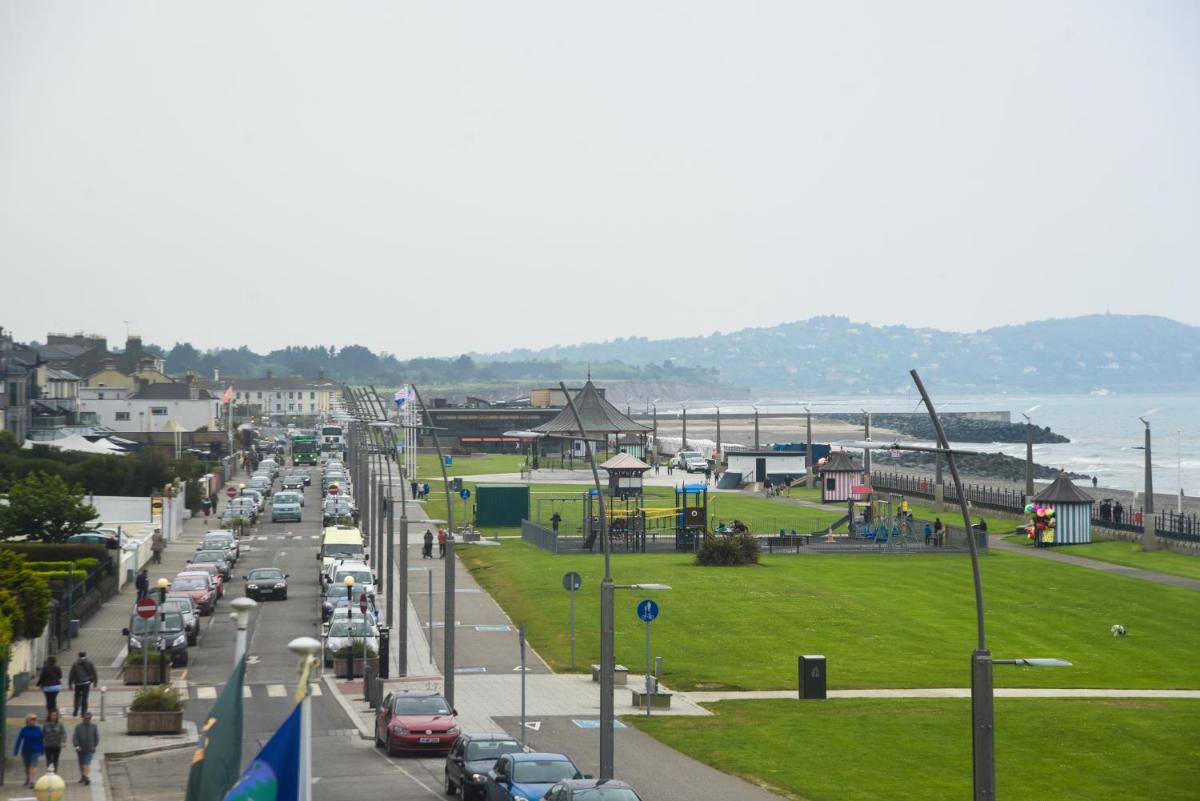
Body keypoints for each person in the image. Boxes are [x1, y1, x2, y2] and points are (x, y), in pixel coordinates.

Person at [13, 713, 44, 787]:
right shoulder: (24, 730)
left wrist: (43, 749)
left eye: (35, 719)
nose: (33, 721)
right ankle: (27, 778)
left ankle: (32, 781)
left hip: (35, 750)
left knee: (33, 766)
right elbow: (19, 740)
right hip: (26, 750)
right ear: (27, 721)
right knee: (27, 766)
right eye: (32, 719)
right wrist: (16, 750)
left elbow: (41, 740)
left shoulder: (38, 729)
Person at [73, 711, 99, 785]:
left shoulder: (94, 727)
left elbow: (96, 738)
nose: (87, 719)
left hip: (90, 749)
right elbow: (75, 738)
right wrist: (77, 746)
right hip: (80, 749)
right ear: (83, 718)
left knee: (86, 763)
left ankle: (86, 776)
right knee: (81, 764)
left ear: (90, 718)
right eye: (86, 718)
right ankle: (83, 776)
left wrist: (94, 746)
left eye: (89, 718)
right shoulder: (78, 727)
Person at [70, 651, 98, 717]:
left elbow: (71, 674)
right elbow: (94, 672)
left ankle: (76, 709)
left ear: (78, 655)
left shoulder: (75, 664)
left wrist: (70, 683)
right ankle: (83, 712)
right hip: (86, 683)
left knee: (77, 696)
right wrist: (95, 682)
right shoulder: (89, 663)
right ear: (85, 655)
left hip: (78, 683)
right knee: (85, 698)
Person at [43, 709, 66, 774]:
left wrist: (64, 741)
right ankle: (49, 772)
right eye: (52, 715)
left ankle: (55, 773)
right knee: (49, 760)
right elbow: (43, 734)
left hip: (57, 745)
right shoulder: (46, 724)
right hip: (48, 745)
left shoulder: (60, 724)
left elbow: (63, 733)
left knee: (55, 760)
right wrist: (41, 743)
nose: (54, 716)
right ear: (50, 716)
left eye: (55, 715)